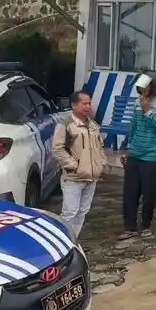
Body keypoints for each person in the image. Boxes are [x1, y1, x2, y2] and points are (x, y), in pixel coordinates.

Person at [51, 90, 106, 241]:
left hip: (91, 177)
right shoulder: (66, 125)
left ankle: (73, 241)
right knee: (70, 212)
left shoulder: (93, 125)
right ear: (74, 105)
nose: (88, 107)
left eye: (89, 103)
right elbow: (57, 149)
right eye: (84, 103)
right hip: (73, 177)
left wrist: (101, 163)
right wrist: (74, 165)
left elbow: (99, 147)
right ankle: (62, 241)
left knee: (83, 211)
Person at [121, 72, 156, 234]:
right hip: (135, 153)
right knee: (130, 191)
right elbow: (133, 127)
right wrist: (128, 149)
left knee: (149, 193)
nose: (143, 89)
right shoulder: (137, 103)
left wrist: (147, 111)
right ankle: (129, 226)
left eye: (146, 85)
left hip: (152, 155)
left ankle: (146, 225)